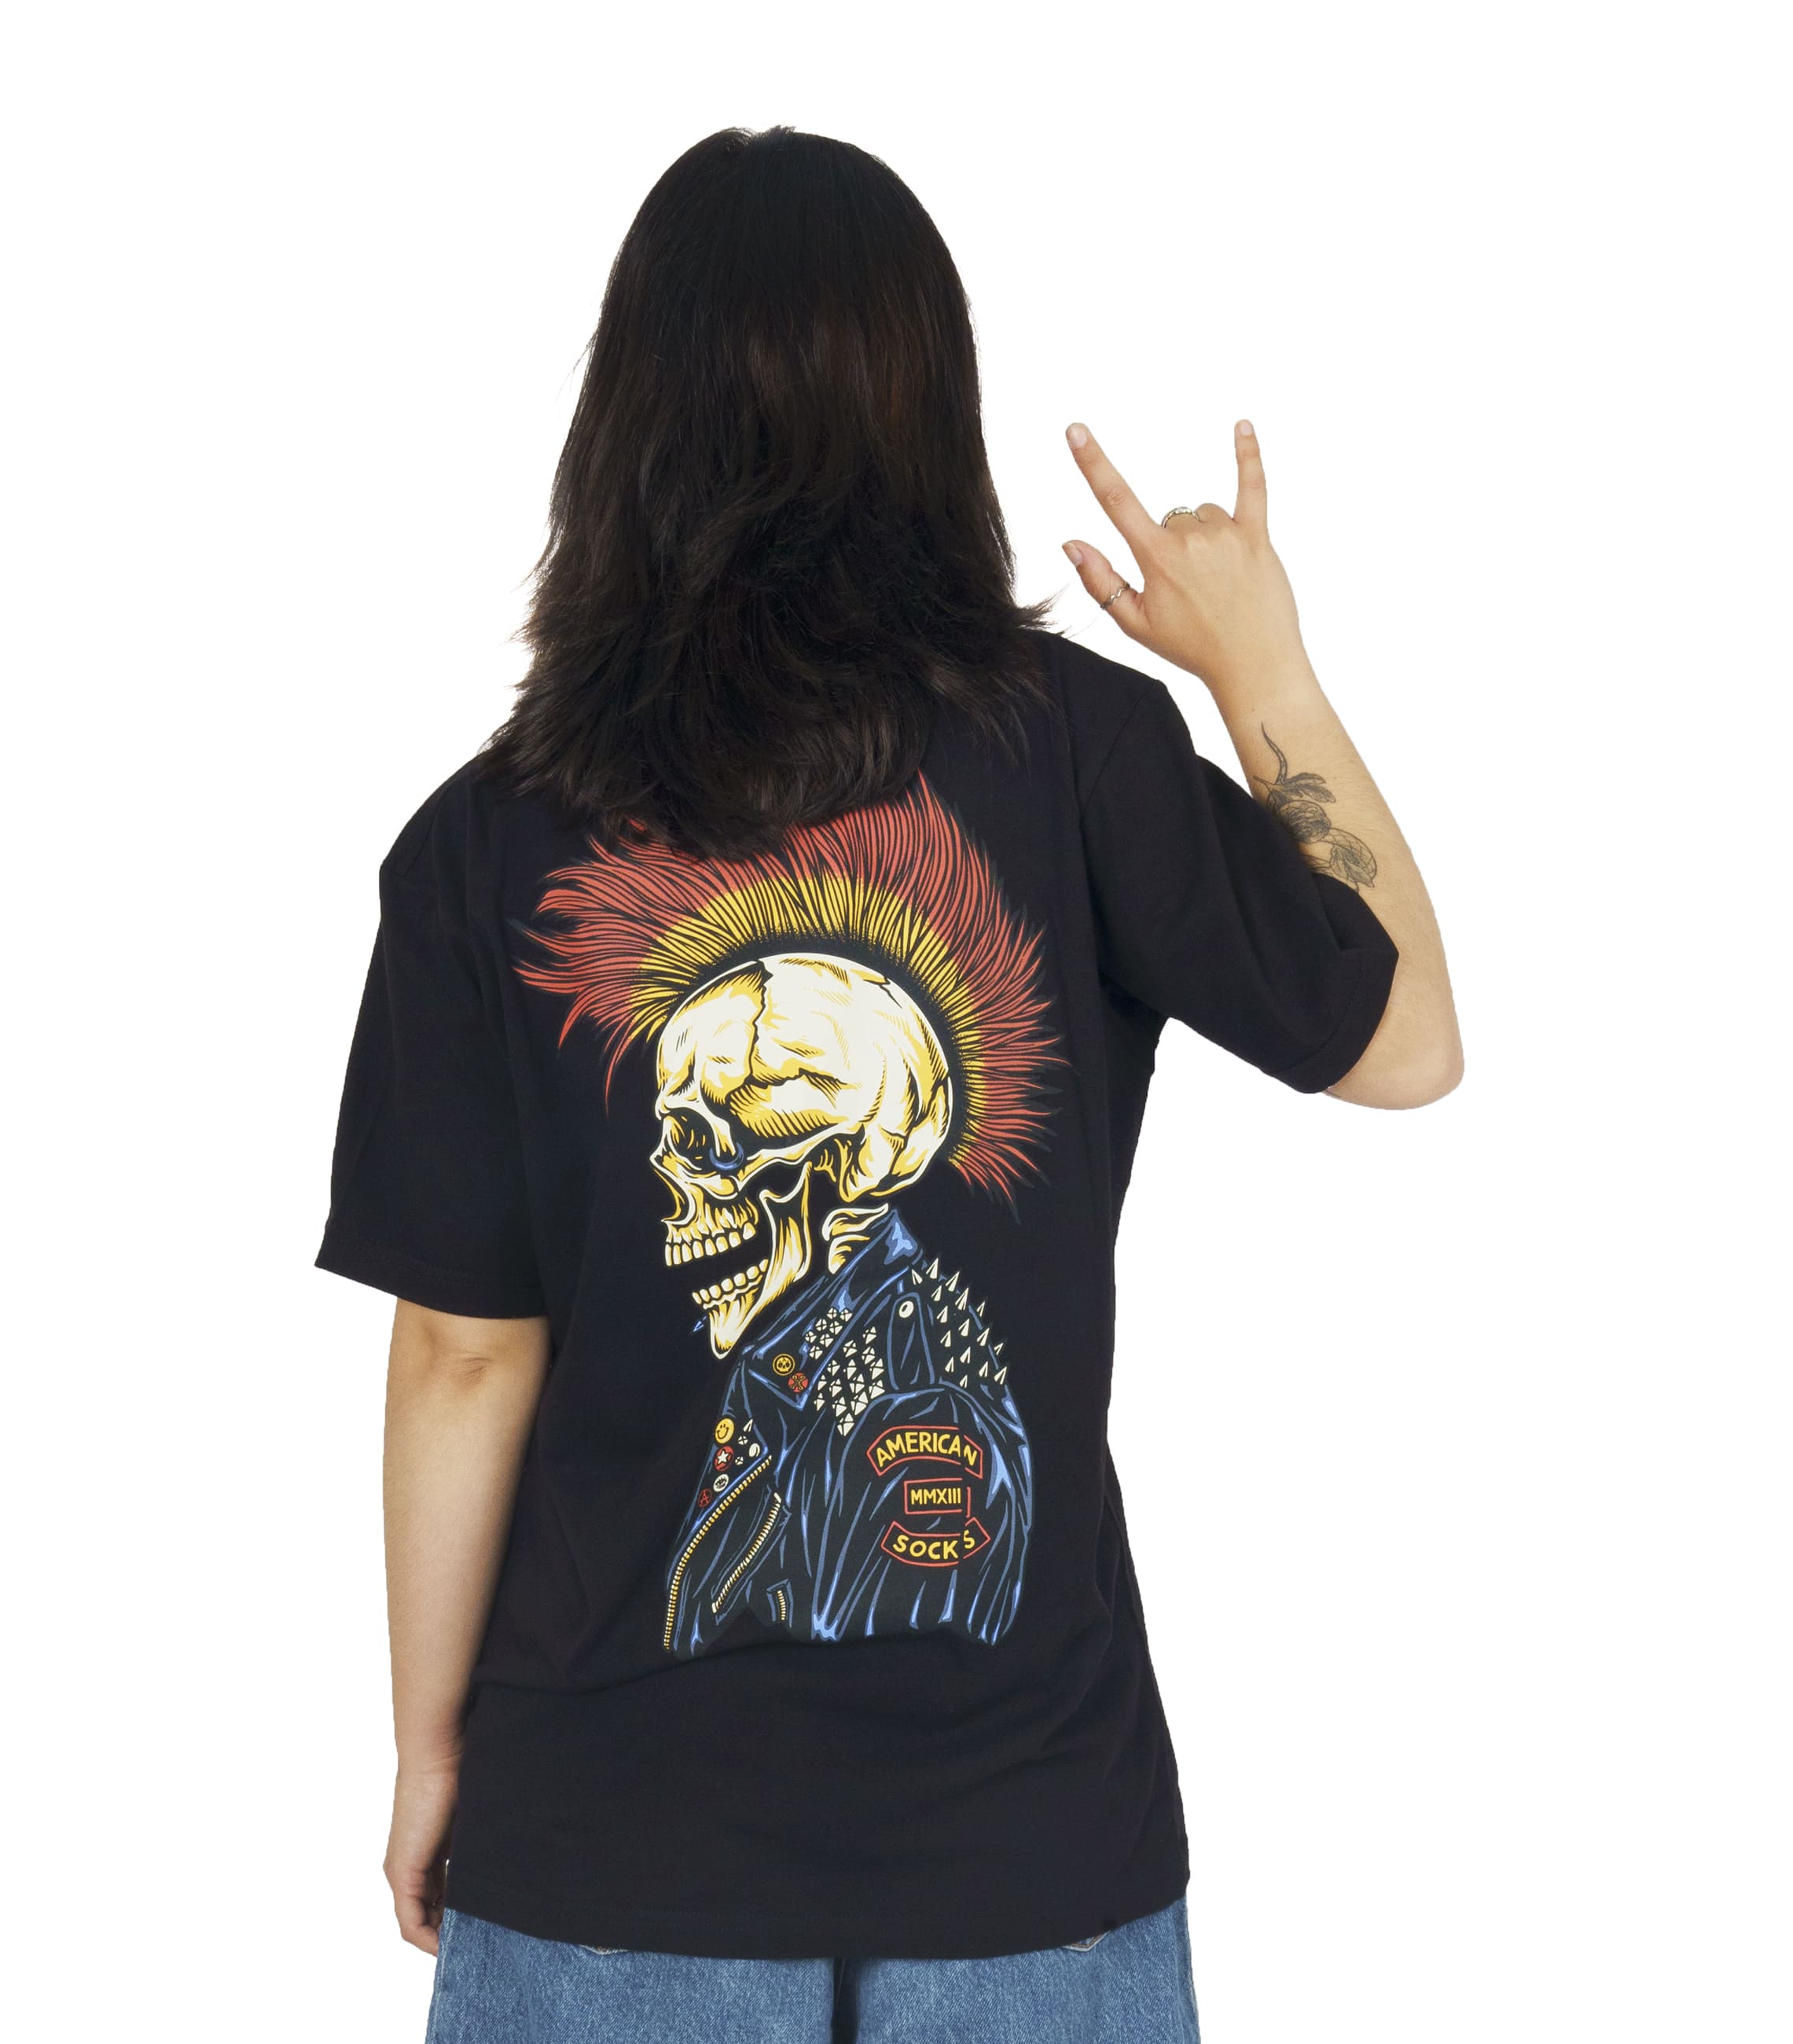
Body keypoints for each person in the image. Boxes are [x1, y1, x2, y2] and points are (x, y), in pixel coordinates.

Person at [316, 126, 1460, 2044]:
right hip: (1031, 1868)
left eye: (748, 1124)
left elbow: (460, 1353)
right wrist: (1260, 666)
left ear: (625, 419)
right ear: (935, 410)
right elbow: (1404, 1036)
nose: (700, 1163)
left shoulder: (489, 839)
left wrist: (434, 1750)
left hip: (605, 1850)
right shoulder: (1079, 756)